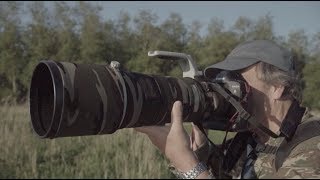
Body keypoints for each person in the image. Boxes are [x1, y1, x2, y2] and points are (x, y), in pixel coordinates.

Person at [135, 40, 320, 179]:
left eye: (237, 77)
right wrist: (200, 152)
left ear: (277, 87)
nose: (229, 89)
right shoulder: (251, 139)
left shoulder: (312, 144)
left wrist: (189, 167)